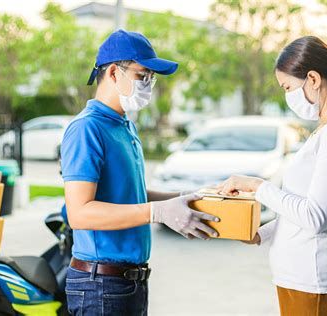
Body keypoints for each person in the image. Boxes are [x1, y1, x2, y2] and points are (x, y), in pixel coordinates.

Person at [61, 29, 219, 315]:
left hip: (129, 283)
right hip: (100, 285)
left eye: (151, 78)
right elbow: (80, 213)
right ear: (112, 73)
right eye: (141, 75)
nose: (148, 84)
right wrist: (157, 212)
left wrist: (185, 197)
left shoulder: (125, 126)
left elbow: (129, 194)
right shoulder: (87, 129)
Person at [216, 36, 327, 316]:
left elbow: (315, 218)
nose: (287, 96)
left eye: (288, 87)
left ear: (312, 78)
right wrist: (260, 234)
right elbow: (301, 210)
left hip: (319, 285)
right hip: (300, 283)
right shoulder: (325, 131)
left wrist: (257, 186)